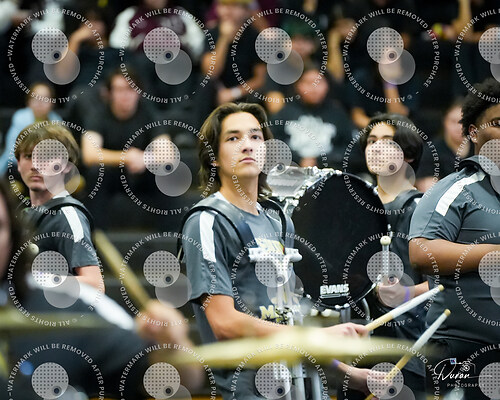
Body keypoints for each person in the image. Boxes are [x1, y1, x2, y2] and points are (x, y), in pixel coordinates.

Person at [181, 102, 373, 399]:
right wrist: (317, 336)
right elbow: (225, 324)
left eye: (255, 137)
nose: (247, 145)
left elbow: (289, 322)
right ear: (214, 157)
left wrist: (349, 375)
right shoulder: (208, 221)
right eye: (233, 138)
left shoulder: (278, 220)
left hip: (303, 386)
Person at [409, 78, 500, 399]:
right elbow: (421, 252)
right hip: (464, 349)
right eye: (498, 123)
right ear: (473, 132)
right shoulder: (457, 188)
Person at [360, 113, 428, 400]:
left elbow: (446, 283)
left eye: (387, 141)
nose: (376, 147)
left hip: (408, 344)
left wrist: (405, 293)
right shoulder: (356, 207)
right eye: (371, 141)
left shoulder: (423, 209)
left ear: (408, 154)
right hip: (358, 343)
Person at [14, 121, 104, 290]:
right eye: (28, 156)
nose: (35, 166)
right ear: (18, 164)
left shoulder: (68, 215)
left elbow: (95, 284)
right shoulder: (20, 214)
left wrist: (37, 281)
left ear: (66, 166)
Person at [0, 82, 62, 176]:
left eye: (45, 99)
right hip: (19, 165)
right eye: (36, 98)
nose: (40, 103)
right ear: (28, 102)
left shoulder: (57, 121)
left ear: (52, 102)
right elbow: (12, 150)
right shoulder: (20, 117)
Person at [415, 99, 473, 192]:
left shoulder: (478, 148)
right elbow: (429, 191)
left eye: (464, 122)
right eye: (453, 121)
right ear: (445, 122)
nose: (460, 127)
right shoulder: (431, 151)